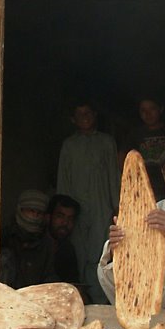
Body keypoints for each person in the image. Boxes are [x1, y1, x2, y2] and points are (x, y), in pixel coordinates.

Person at [97, 140, 165, 309]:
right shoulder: (156, 208)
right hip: (154, 307)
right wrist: (117, 248)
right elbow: (135, 270)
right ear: (163, 175)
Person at [56, 100, 120, 304]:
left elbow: (113, 175)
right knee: (78, 253)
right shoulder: (69, 145)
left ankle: (101, 303)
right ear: (73, 119)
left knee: (99, 253)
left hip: (101, 207)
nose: (85, 117)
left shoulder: (106, 142)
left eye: (88, 113)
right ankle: (79, 301)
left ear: (94, 116)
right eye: (80, 114)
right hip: (74, 210)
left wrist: (117, 206)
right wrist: (61, 210)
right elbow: (63, 178)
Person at [0, 190, 56, 289]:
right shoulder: (3, 237)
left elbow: (49, 278)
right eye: (31, 211)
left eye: (39, 213)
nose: (35, 216)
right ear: (21, 210)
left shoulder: (47, 244)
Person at [124, 96, 165, 199]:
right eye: (143, 110)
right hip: (143, 189)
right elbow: (123, 159)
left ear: (160, 109)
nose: (148, 114)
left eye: (152, 109)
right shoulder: (134, 135)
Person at [46, 194, 81, 286]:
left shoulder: (67, 249)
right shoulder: (36, 243)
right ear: (48, 217)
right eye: (60, 216)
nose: (65, 223)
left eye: (70, 218)